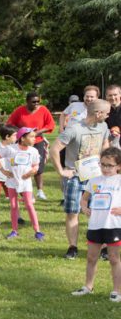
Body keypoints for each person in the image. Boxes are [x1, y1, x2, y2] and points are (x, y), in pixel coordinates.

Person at [50, 99, 112, 259]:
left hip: (97, 177)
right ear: (98, 113)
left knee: (101, 212)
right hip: (76, 178)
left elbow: (105, 143)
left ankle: (104, 248)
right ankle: (73, 247)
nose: (108, 116)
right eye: (106, 113)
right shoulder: (74, 129)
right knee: (73, 212)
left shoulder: (103, 126)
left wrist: (106, 164)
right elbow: (55, 148)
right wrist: (61, 171)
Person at [71, 147, 121, 302]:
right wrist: (84, 207)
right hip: (95, 225)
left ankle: (117, 291)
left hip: (113, 225)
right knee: (92, 257)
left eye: (110, 165)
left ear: (118, 166)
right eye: (103, 164)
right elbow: (84, 198)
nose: (105, 168)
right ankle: (88, 286)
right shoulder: (94, 180)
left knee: (114, 258)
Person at [0, 127, 44, 240]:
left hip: (26, 182)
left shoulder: (33, 151)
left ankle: (38, 231)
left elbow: (36, 164)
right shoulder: (10, 149)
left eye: (34, 136)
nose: (34, 139)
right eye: (31, 137)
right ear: (22, 138)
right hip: (12, 181)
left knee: (29, 204)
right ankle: (14, 231)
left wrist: (33, 171)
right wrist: (3, 170)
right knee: (13, 205)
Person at [6, 91, 56, 201]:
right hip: (22, 143)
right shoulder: (20, 111)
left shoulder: (43, 110)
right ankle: (24, 192)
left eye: (38, 101)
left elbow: (50, 124)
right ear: (27, 102)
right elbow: (9, 124)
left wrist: (37, 132)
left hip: (37, 141)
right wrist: (21, 132)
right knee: (22, 166)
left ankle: (40, 191)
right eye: (34, 102)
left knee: (38, 166)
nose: (36, 103)